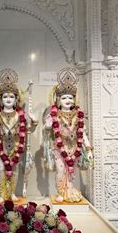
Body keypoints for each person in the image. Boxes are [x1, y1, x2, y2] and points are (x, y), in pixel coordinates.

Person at [0, 69, 37, 203]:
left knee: (14, 169)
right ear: (0, 99)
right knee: (1, 169)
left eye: (11, 97)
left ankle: (12, 193)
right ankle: (2, 194)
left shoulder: (20, 114)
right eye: (5, 97)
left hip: (16, 146)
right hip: (0, 147)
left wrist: (34, 120)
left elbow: (29, 128)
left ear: (16, 99)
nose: (8, 99)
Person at [43, 67, 93, 203]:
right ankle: (61, 193)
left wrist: (88, 149)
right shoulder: (55, 114)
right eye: (64, 97)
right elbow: (48, 128)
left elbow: (83, 132)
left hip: (75, 147)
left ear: (74, 99)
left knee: (72, 171)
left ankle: (69, 191)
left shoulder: (78, 115)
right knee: (60, 171)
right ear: (58, 99)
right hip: (59, 148)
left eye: (70, 97)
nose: (67, 100)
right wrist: (48, 122)